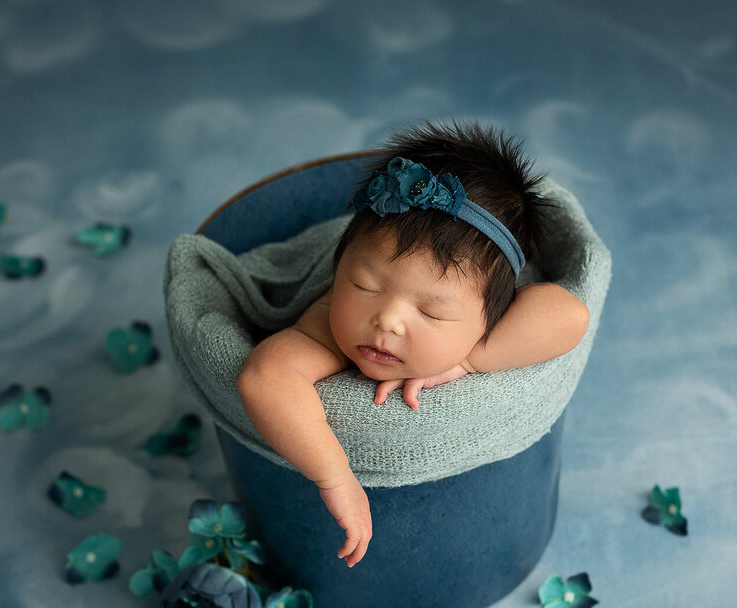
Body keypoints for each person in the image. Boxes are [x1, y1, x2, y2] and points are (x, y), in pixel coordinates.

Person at [236, 120, 590, 568]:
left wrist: (470, 359)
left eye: (433, 312)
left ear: (487, 319)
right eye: (363, 285)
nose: (387, 320)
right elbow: (264, 378)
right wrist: (335, 477)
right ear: (339, 265)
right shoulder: (327, 326)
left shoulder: (489, 320)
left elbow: (571, 315)